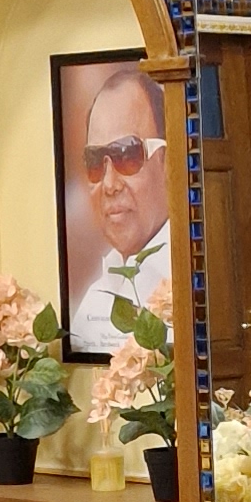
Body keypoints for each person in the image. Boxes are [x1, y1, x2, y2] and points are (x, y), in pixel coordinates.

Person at [66, 62, 173, 355]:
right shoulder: (93, 305)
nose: (110, 184)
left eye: (126, 155)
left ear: (168, 160)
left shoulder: (198, 284)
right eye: (95, 162)